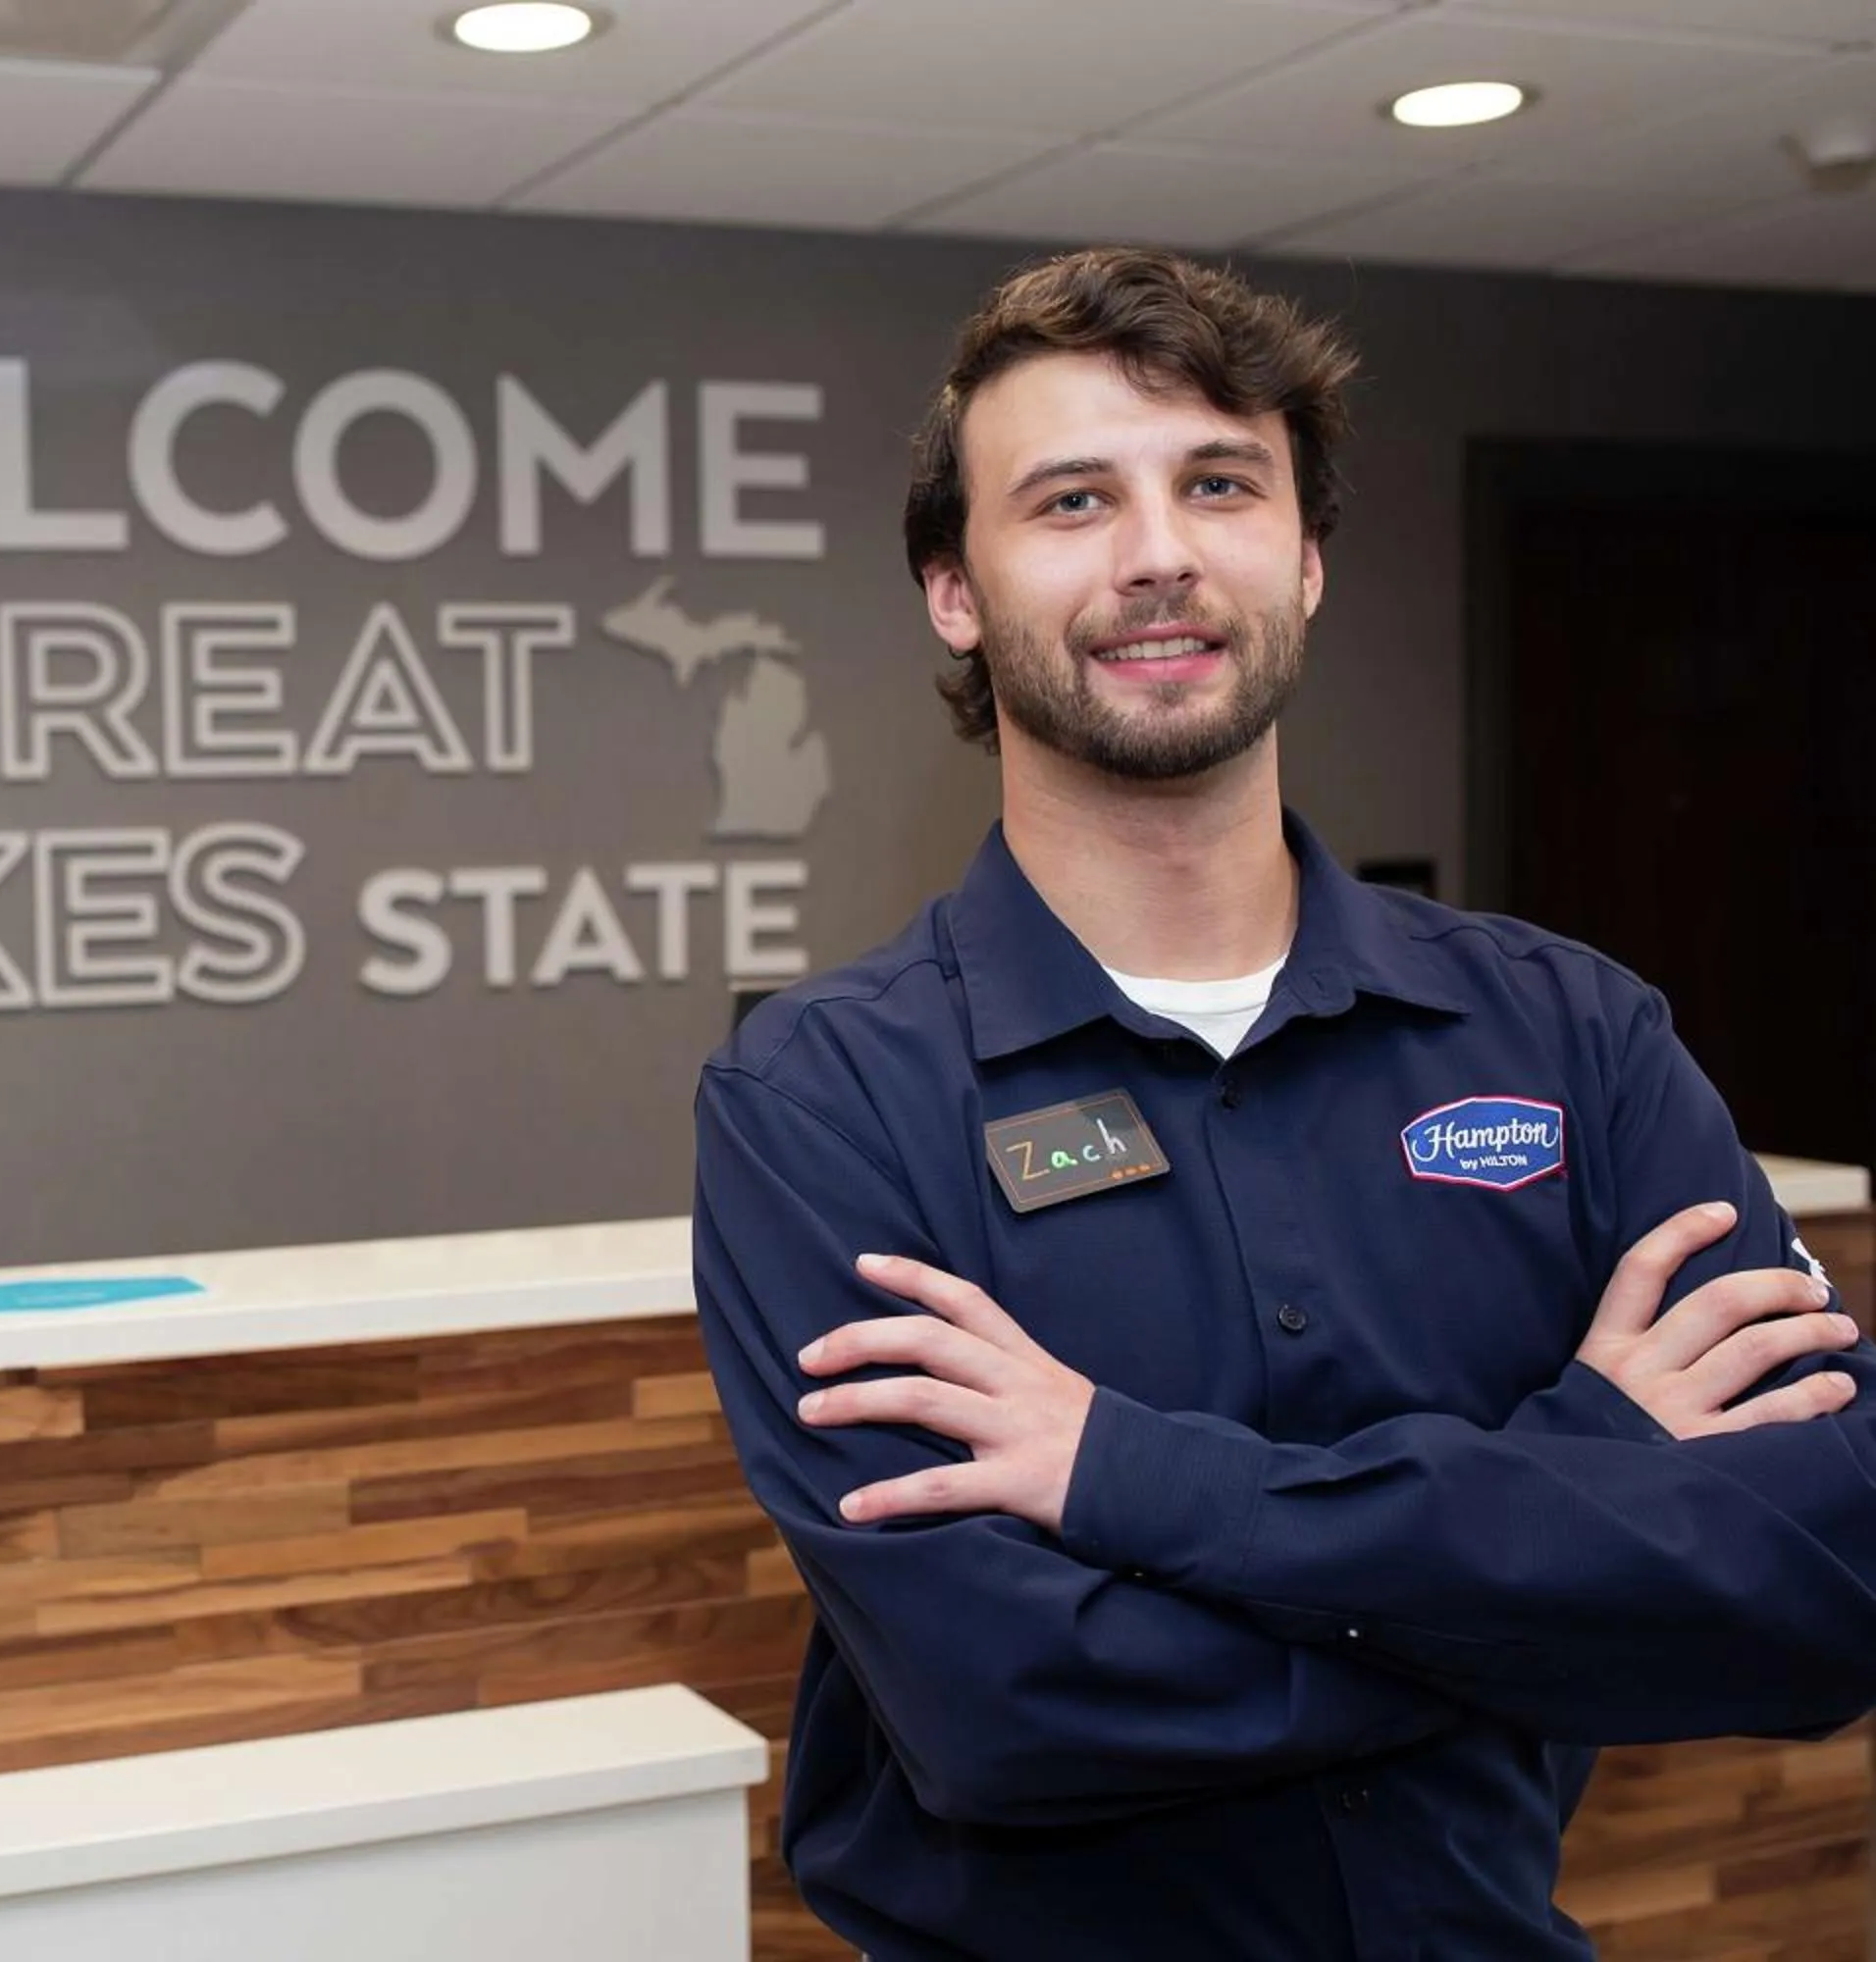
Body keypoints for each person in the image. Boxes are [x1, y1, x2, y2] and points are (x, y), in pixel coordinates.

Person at [691, 247, 1876, 1960]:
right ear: (956, 588)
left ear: (1306, 561)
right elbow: (1006, 1708)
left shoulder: (1570, 1034)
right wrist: (1587, 1486)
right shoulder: (828, 1101)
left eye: (1221, 484)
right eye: (1075, 499)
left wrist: (1139, 1486)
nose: (1159, 553)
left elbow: (1821, 1598)